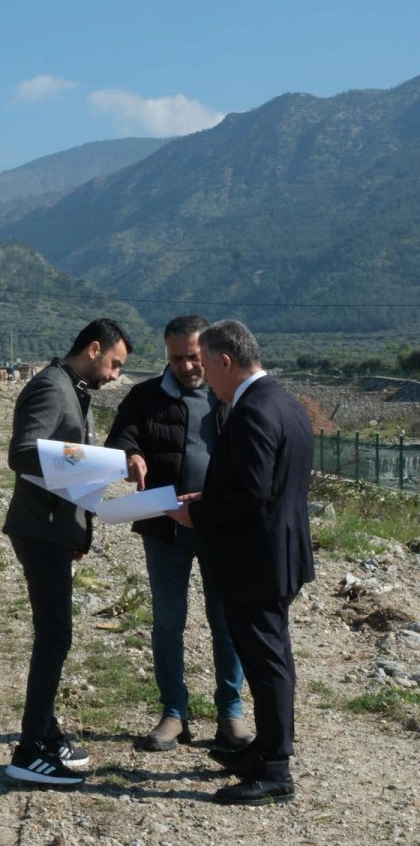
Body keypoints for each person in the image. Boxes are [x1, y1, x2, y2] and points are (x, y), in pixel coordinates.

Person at [166, 320, 314, 806]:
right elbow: (262, 483)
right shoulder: (283, 401)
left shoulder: (251, 411)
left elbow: (252, 493)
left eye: (206, 366)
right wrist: (208, 496)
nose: (204, 377)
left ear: (226, 362)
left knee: (268, 663)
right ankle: (265, 753)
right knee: (266, 657)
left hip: (257, 561)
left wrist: (196, 513)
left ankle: (274, 769)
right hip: (278, 554)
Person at [105, 316, 251, 753]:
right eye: (176, 358)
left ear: (208, 352)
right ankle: (173, 713)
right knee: (168, 622)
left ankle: (231, 713)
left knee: (226, 622)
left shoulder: (232, 396)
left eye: (193, 357)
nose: (187, 366)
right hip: (163, 526)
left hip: (219, 526)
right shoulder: (145, 396)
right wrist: (130, 453)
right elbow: (123, 434)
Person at [2, 318, 132, 787]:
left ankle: (47, 731)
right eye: (115, 364)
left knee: (57, 634)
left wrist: (79, 529)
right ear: (94, 349)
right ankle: (30, 749)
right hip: (40, 530)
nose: (116, 375)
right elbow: (21, 453)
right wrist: (109, 463)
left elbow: (61, 461)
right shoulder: (52, 388)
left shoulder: (71, 387)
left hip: (56, 529)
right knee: (54, 636)